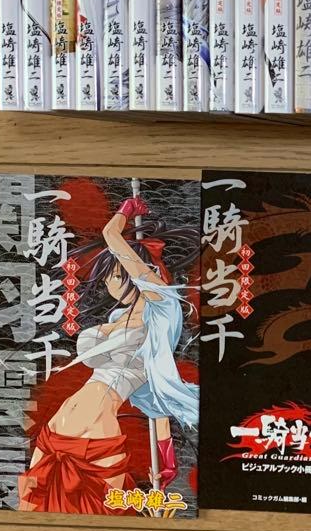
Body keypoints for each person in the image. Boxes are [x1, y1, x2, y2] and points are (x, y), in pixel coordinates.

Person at [19, 196, 199, 515]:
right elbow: (155, 405)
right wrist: (166, 457)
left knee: (97, 517)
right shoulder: (119, 317)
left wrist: (126, 210)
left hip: (96, 435)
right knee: (33, 513)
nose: (107, 283)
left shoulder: (163, 310)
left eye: (115, 274)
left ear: (141, 273)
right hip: (56, 430)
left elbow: (111, 235)